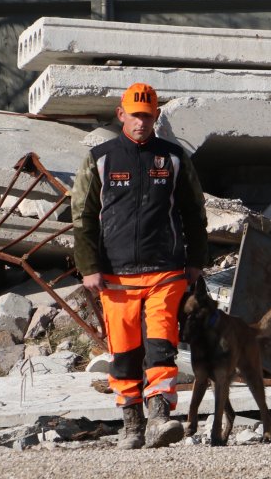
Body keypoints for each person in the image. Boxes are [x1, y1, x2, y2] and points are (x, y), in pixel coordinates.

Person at [71, 83, 209, 448]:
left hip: (166, 271)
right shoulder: (99, 159)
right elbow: (82, 218)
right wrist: (88, 266)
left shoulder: (174, 158)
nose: (141, 122)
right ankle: (132, 425)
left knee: (161, 345)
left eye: (147, 116)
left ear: (156, 117)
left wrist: (195, 260)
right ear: (121, 115)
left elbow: (194, 213)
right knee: (125, 352)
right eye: (134, 115)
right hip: (115, 275)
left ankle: (160, 419)